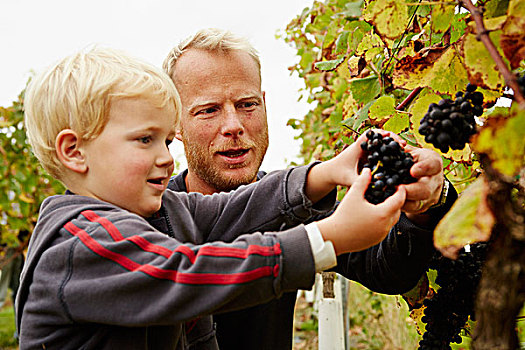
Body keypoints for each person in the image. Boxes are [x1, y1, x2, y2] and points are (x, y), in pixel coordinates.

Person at [16, 46, 409, 350]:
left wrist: (325, 173)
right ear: (74, 151)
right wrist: (327, 238)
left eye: (166, 140)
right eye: (144, 140)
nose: (166, 157)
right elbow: (185, 274)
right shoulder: (82, 244)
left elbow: (235, 209)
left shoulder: (159, 210)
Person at [162, 28, 458, 349]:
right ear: (175, 123)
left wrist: (425, 205)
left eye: (247, 105)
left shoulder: (294, 205)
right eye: (209, 109)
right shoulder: (147, 219)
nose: (234, 125)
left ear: (264, 104)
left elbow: (387, 271)